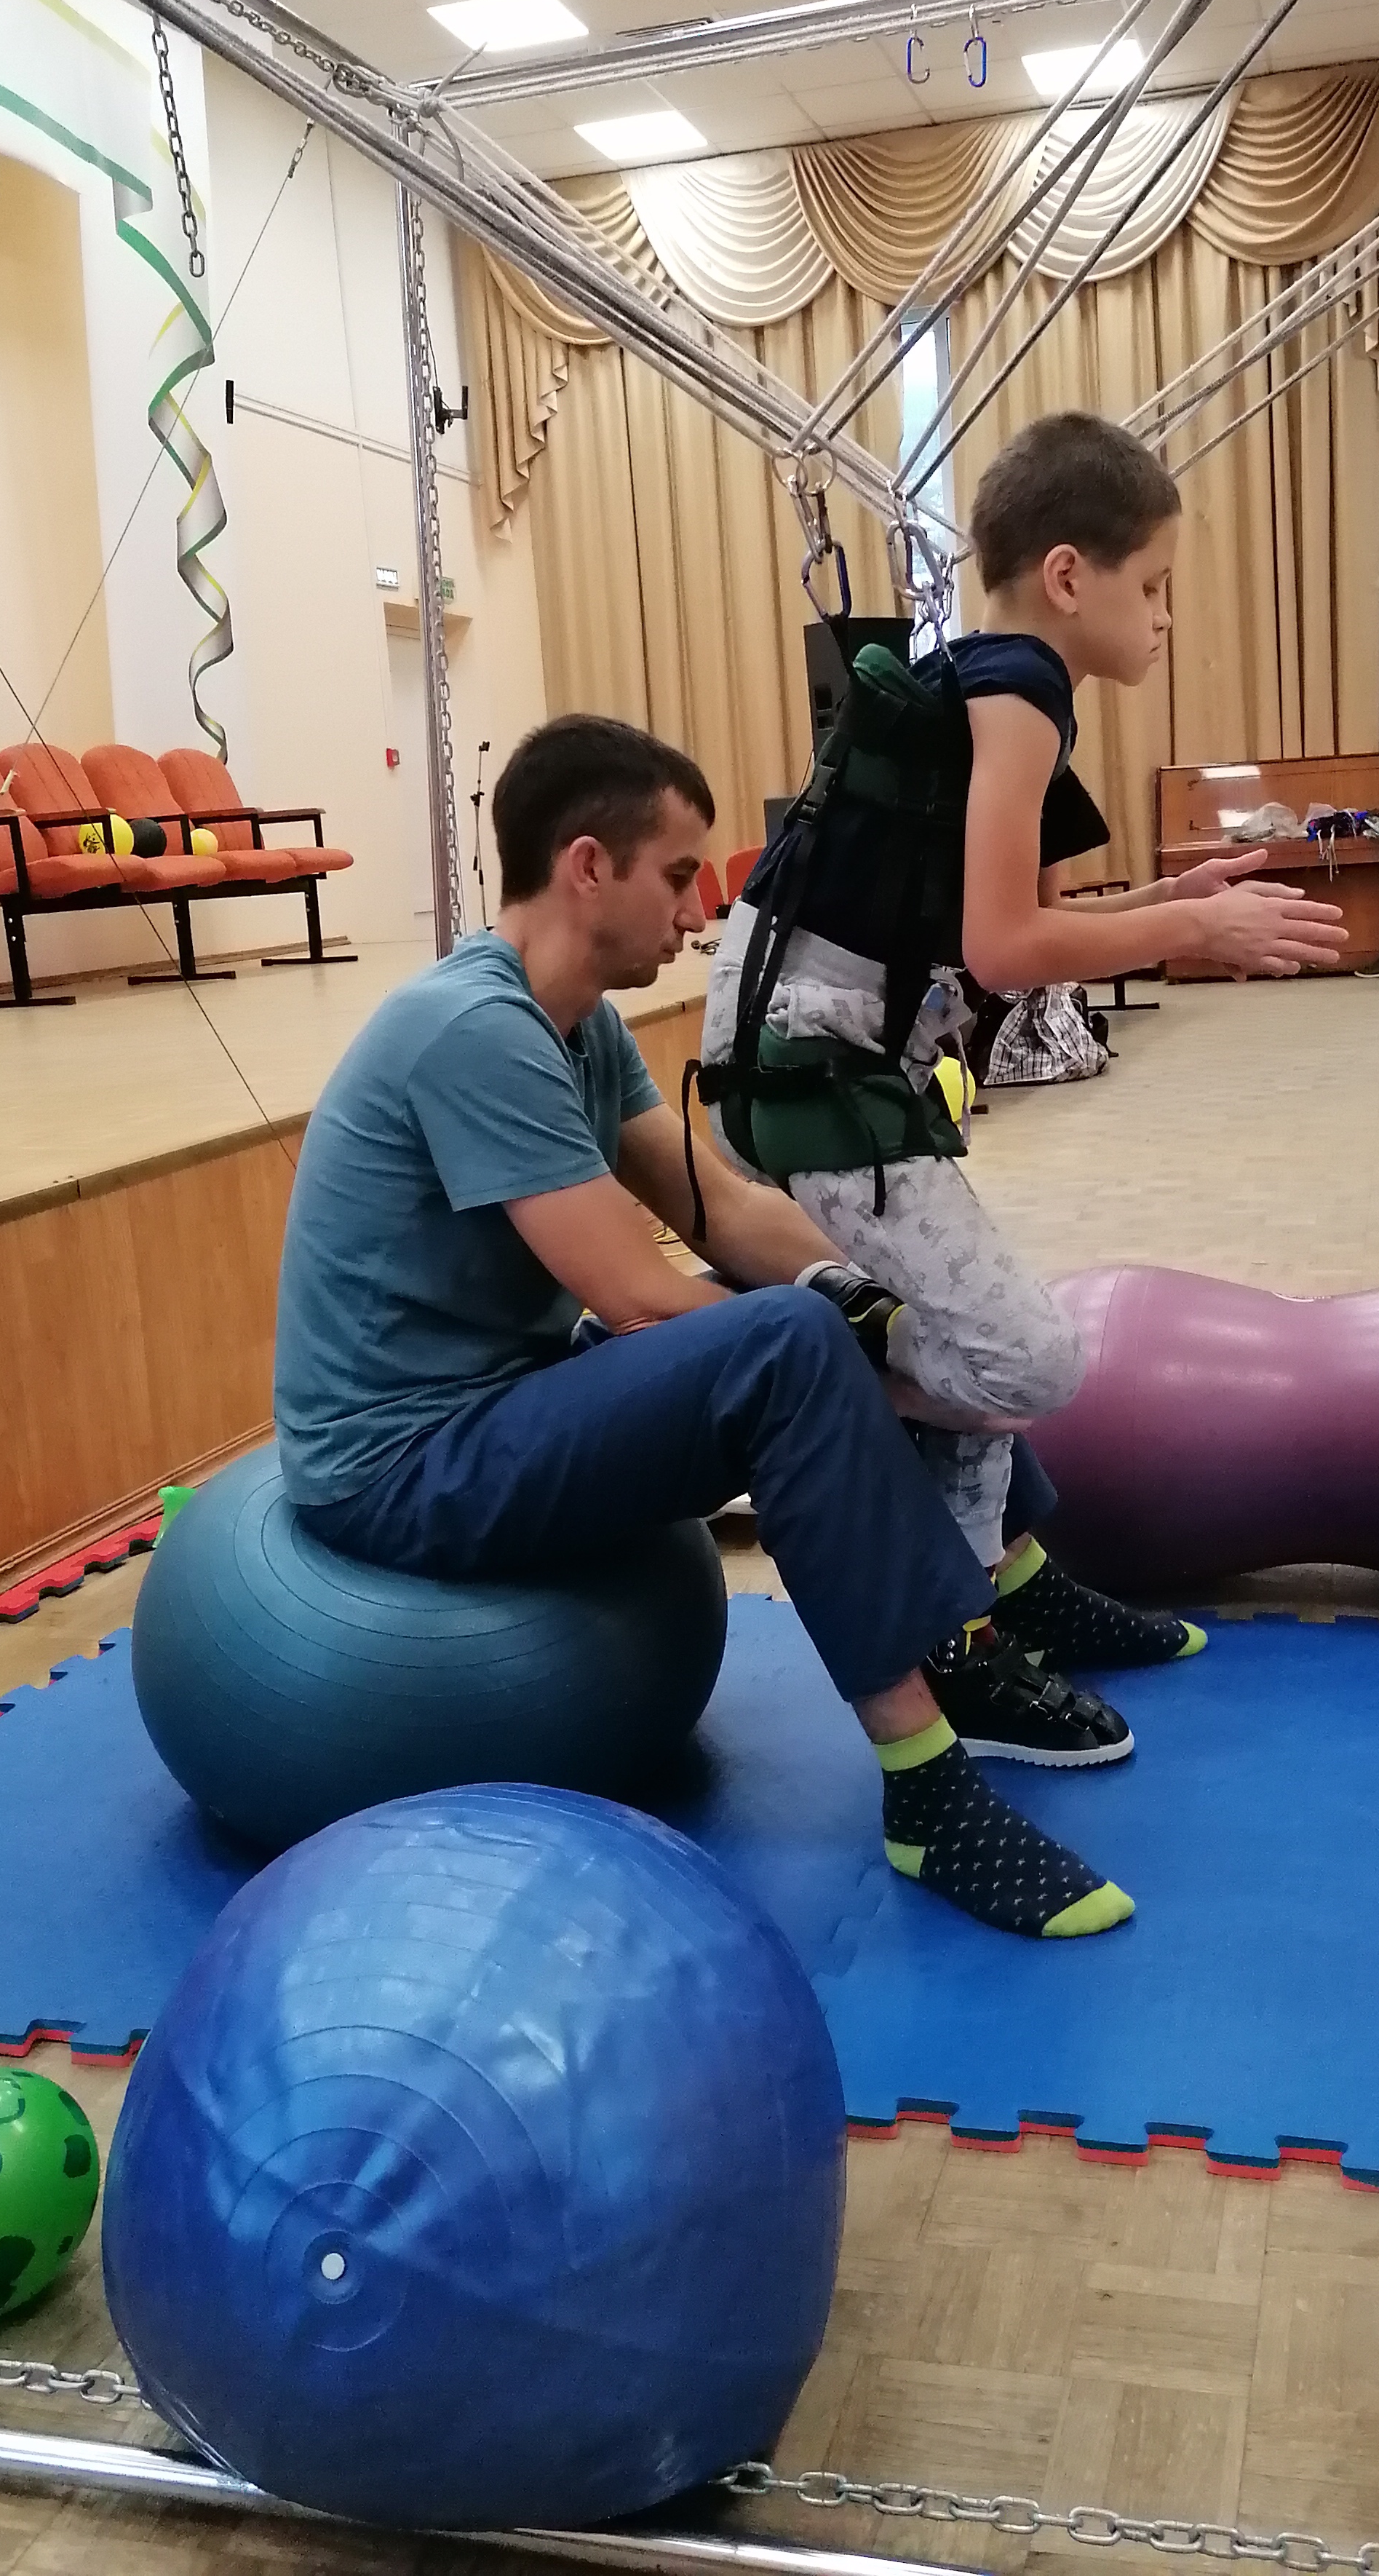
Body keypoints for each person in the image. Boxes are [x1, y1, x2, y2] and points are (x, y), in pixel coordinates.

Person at [272, 713, 1134, 1942]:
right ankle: (929, 1792)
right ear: (587, 866)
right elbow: (636, 1293)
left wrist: (900, 1299)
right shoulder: (475, 1033)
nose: (699, 912)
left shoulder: (580, 1024)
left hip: (502, 1394)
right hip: (404, 1466)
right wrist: (860, 1349)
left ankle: (1015, 1592)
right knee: (793, 1347)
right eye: (678, 876)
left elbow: (719, 1208)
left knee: (881, 1311)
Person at [696, 411, 1350, 1701]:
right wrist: (1190, 930)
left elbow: (1005, 923)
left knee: (983, 1341)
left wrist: (1167, 897)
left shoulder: (988, 680)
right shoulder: (1024, 692)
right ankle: (814, 1365)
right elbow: (1005, 952)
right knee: (1021, 1359)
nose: (1164, 618)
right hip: (804, 1055)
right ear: (1067, 575)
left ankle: (988, 1609)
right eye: (1151, 586)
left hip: (816, 1037)